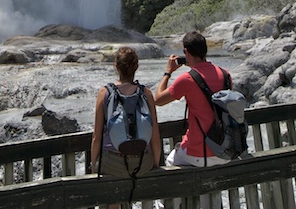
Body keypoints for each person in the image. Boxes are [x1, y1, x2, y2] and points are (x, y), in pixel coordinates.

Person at [154, 31, 231, 209]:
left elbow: (158, 99)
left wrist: (168, 72)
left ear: (186, 53)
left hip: (199, 153)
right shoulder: (225, 75)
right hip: (224, 151)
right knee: (207, 181)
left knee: (172, 163)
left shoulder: (187, 78)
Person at [91, 46, 161, 209]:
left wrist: (94, 167)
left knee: (111, 194)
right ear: (136, 67)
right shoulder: (146, 93)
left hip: (112, 163)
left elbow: (97, 136)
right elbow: (155, 137)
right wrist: (154, 165)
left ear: (116, 67)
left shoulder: (105, 93)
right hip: (142, 163)